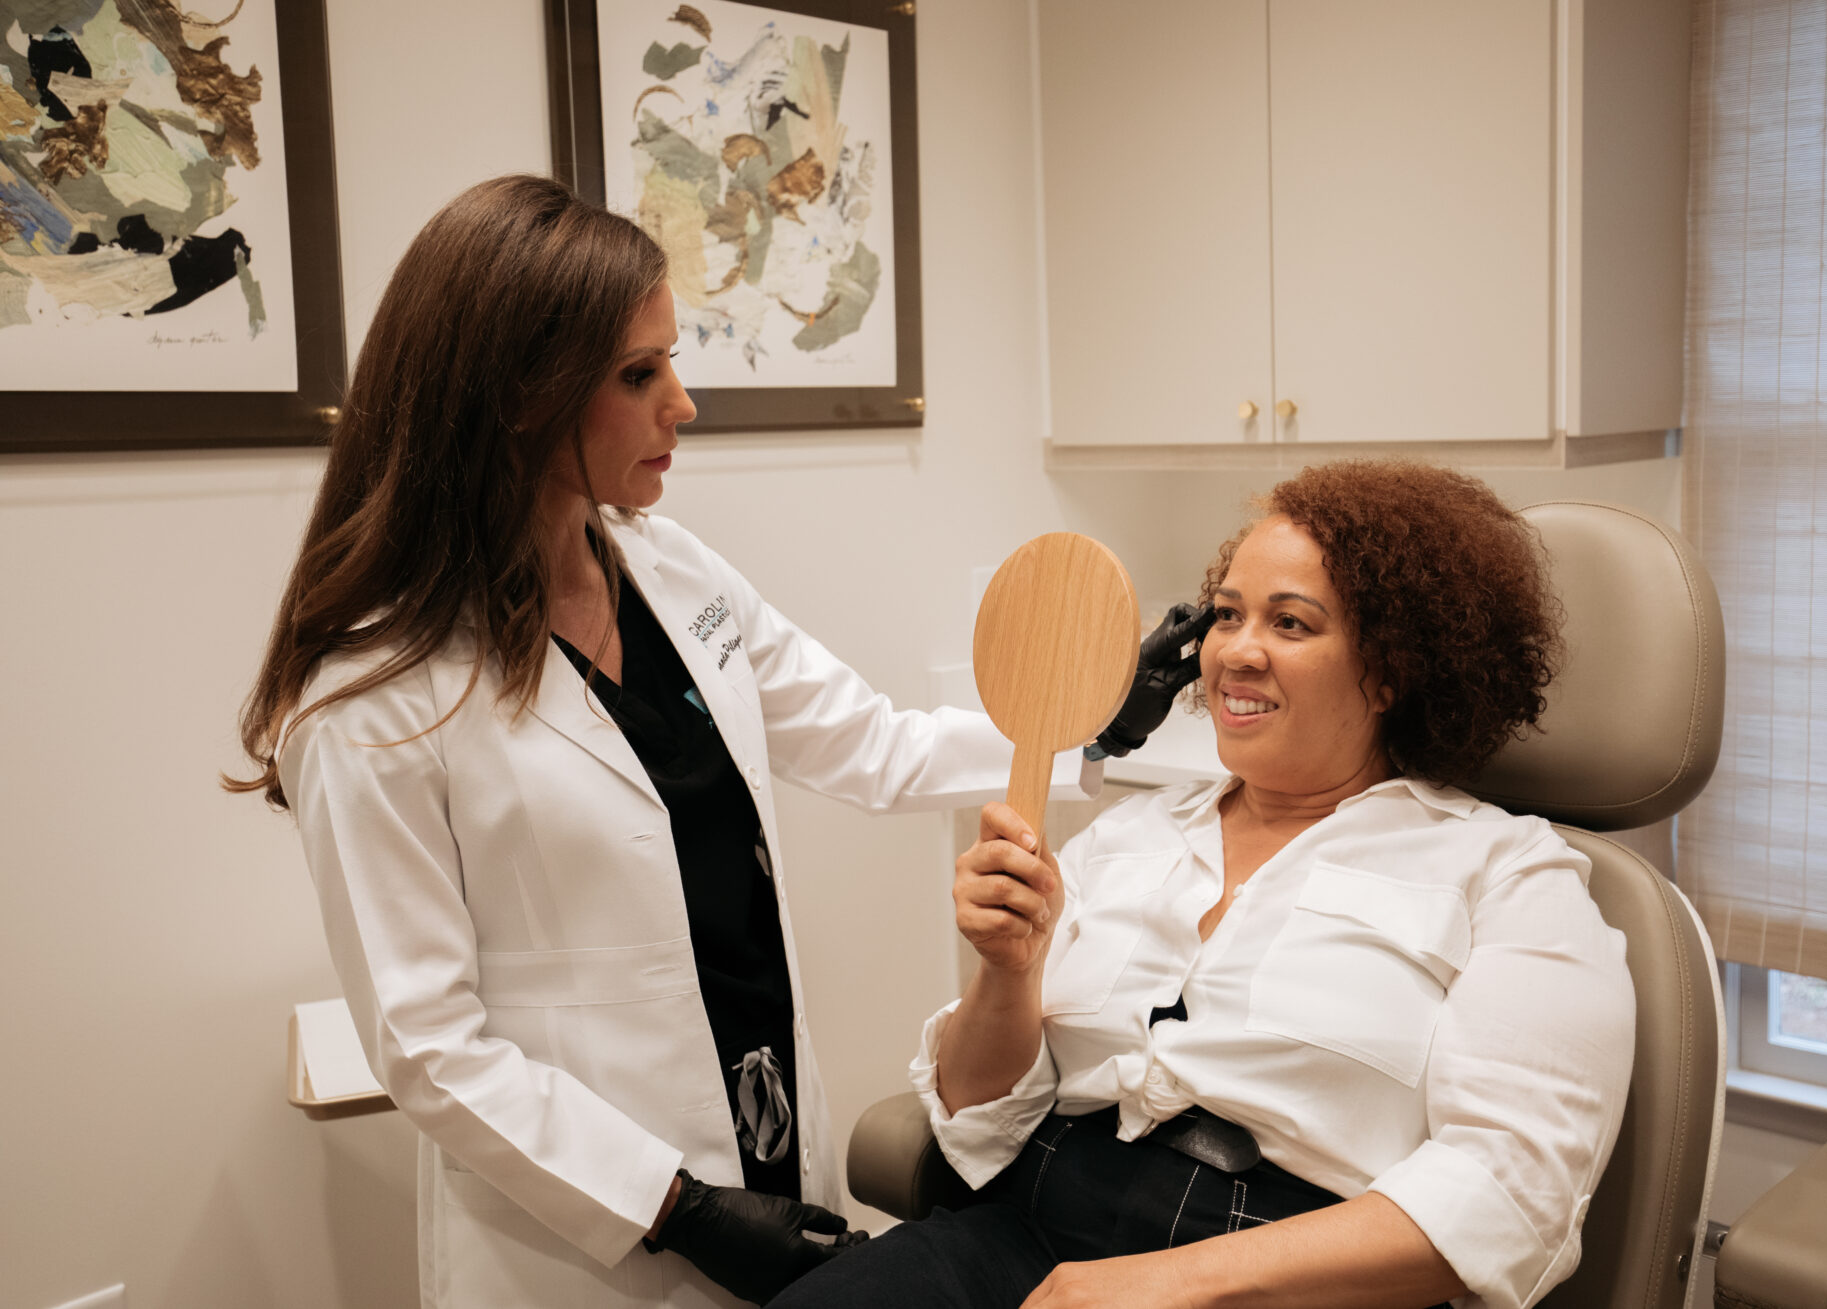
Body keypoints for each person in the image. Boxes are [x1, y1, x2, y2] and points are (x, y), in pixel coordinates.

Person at [227, 175, 1181, 1309]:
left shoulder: (670, 571)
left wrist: (1088, 727)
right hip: (583, 1228)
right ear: (515, 397)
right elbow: (431, 1050)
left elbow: (871, 745)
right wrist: (674, 1209)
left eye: (671, 360)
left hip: (767, 1126)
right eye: (639, 374)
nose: (683, 404)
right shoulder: (371, 697)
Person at [770, 460, 1637, 1309]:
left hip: (1282, 1274)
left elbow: (1512, 1191)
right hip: (1018, 1231)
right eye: (1226, 615)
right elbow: (976, 1118)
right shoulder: (1127, 837)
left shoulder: (1510, 874)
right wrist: (1007, 971)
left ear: (1391, 670)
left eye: (1291, 624)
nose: (1237, 652)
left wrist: (1166, 1282)